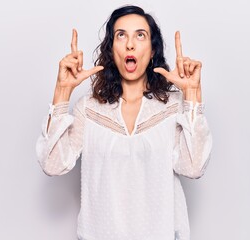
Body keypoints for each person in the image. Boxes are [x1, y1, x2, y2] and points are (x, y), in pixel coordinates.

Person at [36, 5, 212, 240]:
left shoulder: (173, 107)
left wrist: (192, 96)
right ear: (112, 50)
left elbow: (193, 167)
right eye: (121, 35)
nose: (130, 44)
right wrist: (62, 92)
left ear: (152, 51)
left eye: (140, 35)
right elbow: (52, 165)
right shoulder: (89, 109)